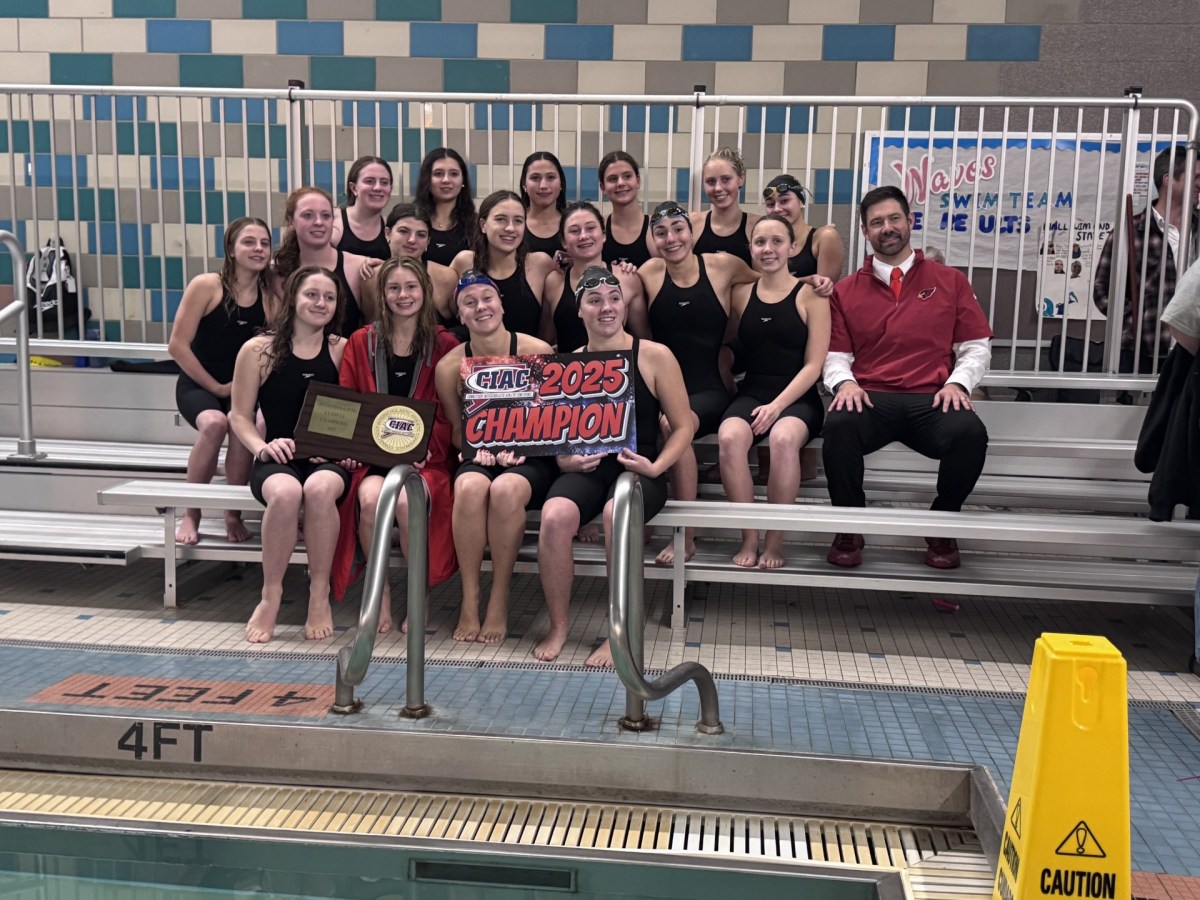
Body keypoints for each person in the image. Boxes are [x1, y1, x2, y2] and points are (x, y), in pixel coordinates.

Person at [822, 186, 992, 570]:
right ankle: (849, 525)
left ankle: (942, 524)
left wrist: (958, 383)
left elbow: (975, 345)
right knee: (839, 425)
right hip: (870, 395)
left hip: (932, 396)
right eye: (876, 222)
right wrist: (845, 383)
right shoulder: (845, 291)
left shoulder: (951, 281)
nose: (887, 227)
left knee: (970, 433)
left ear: (910, 221)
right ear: (865, 232)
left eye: (894, 218)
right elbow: (836, 355)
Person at [535, 266, 694, 663]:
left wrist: (656, 467)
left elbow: (683, 427)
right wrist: (565, 460)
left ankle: (621, 628)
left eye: (613, 298)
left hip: (639, 471)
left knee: (615, 513)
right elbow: (557, 436)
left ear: (625, 304)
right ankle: (558, 625)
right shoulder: (567, 364)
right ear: (579, 311)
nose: (606, 307)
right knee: (553, 517)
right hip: (590, 470)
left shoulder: (655, 356)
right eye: (594, 300)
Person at [332, 258, 460, 633]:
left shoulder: (446, 345)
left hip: (426, 460)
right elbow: (347, 402)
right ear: (382, 295)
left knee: (406, 501)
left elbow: (449, 413)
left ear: (425, 291)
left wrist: (423, 448)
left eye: (411, 287)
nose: (403, 295)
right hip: (373, 459)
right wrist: (353, 448)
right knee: (372, 500)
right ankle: (381, 591)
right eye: (394, 288)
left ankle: (419, 595)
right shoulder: (362, 342)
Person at [230, 266, 357, 643]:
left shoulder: (342, 350)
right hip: (276, 457)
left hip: (326, 460)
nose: (321, 303)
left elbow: (357, 411)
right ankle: (271, 595)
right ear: (293, 298)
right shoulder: (258, 351)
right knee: (285, 494)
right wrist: (263, 447)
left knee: (319, 489)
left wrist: (340, 450)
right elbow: (239, 416)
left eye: (329, 297)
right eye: (312, 295)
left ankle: (319, 592)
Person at [434, 271, 556, 644]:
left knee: (505, 490)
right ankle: (470, 598)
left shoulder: (538, 351)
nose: (480, 307)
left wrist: (522, 449)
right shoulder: (449, 367)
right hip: (481, 453)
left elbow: (555, 422)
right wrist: (478, 449)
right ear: (460, 314)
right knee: (469, 487)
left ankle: (499, 597)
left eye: (487, 298)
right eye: (469, 303)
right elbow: (458, 430)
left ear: (501, 304)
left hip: (532, 456)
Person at [639, 200, 762, 564]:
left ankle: (688, 535)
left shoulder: (723, 266)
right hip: (663, 389)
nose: (671, 238)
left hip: (708, 387)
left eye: (678, 229)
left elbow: (772, 283)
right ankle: (647, 523)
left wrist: (811, 282)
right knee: (652, 422)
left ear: (692, 233)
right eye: (661, 233)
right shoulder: (648, 273)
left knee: (674, 424)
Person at [718, 214, 829, 569]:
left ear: (792, 247)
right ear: (750, 249)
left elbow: (814, 365)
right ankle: (749, 536)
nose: (768, 249)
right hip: (753, 392)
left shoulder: (812, 295)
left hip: (797, 397)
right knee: (729, 437)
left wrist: (778, 406)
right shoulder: (740, 295)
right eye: (760, 242)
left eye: (777, 241)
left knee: (782, 439)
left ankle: (775, 541)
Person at [168, 217, 276, 545]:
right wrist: (216, 387)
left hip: (241, 389)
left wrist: (244, 390)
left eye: (264, 243)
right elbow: (177, 346)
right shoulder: (207, 286)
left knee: (242, 427)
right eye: (249, 242)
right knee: (214, 423)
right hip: (198, 383)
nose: (258, 249)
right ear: (231, 249)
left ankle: (232, 514)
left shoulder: (270, 297)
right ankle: (192, 513)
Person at [1094, 144, 1200, 373]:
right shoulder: (1130, 230)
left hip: (1192, 352)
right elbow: (1101, 289)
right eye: (1195, 177)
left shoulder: (1198, 230)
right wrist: (1134, 320)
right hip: (1141, 352)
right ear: (1168, 180)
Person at [540, 201, 649, 353]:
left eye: (590, 228)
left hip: (616, 366)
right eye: (574, 231)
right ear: (564, 241)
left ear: (603, 235)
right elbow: (544, 341)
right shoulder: (554, 282)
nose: (583, 236)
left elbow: (644, 340)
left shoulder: (627, 279)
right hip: (571, 367)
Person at [451, 190, 555, 338]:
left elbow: (549, 328)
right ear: (483, 225)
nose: (510, 228)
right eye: (500, 219)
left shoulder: (540, 264)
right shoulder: (464, 262)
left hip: (528, 352)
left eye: (518, 221)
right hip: (476, 352)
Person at [273, 186, 371, 338]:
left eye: (326, 216)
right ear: (291, 222)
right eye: (308, 215)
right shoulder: (276, 273)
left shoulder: (361, 268)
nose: (319, 222)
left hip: (345, 353)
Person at [359, 203, 458, 326]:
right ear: (387, 233)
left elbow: (464, 324)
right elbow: (369, 327)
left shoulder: (446, 278)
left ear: (428, 241)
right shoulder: (371, 277)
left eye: (421, 235)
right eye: (404, 231)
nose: (412, 240)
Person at [763, 174, 845, 283]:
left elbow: (824, 289)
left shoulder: (824, 237)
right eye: (770, 204)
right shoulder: (764, 244)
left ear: (801, 202)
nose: (777, 209)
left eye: (784, 201)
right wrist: (809, 280)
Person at [690, 147, 758, 266]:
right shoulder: (692, 224)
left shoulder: (757, 227)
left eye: (726, 179)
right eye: (711, 181)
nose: (718, 188)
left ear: (741, 179)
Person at [414, 148, 476, 268]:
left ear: (463, 180)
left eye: (454, 174)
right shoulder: (412, 220)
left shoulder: (476, 225)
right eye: (438, 174)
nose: (446, 180)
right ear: (427, 179)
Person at [331, 155, 393, 260]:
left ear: (390, 189)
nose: (378, 187)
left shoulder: (392, 228)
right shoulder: (332, 220)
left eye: (384, 182)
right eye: (369, 181)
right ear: (354, 188)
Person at [599, 151, 655, 269]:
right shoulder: (597, 229)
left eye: (627, 176)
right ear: (602, 187)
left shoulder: (656, 228)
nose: (621, 183)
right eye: (613, 179)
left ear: (638, 181)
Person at [520, 151, 567, 260]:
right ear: (524, 184)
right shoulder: (513, 225)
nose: (543, 185)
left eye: (550, 177)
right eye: (535, 178)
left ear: (561, 182)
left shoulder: (574, 224)